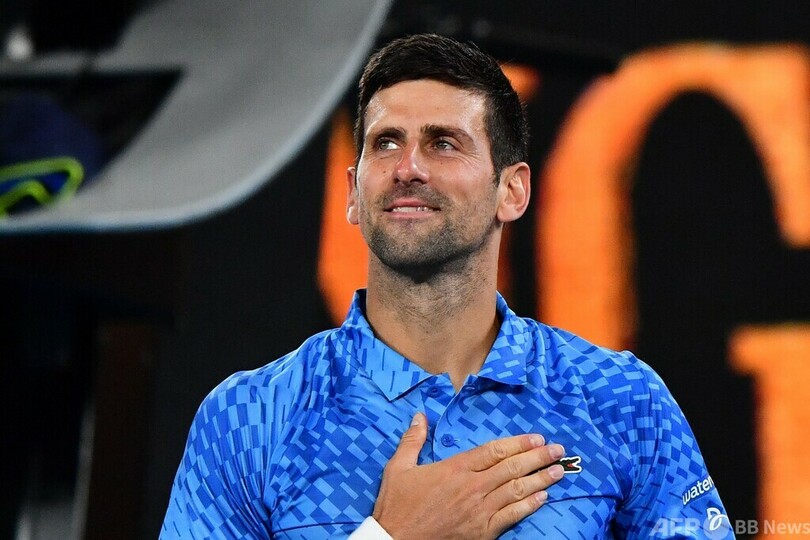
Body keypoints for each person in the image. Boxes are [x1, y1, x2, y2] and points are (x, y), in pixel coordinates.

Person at [160, 34, 730, 539]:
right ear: (354, 193)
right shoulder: (249, 417)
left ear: (512, 191)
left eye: (443, 143)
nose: (408, 167)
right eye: (386, 142)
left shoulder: (622, 399)